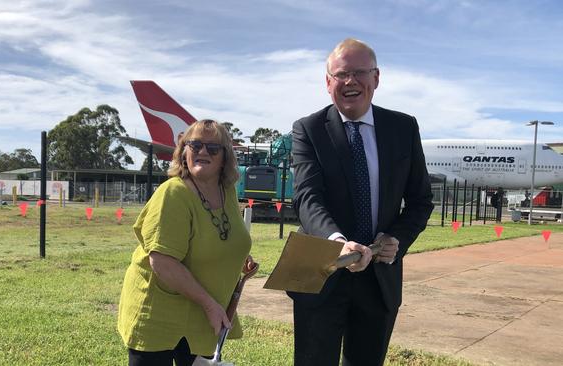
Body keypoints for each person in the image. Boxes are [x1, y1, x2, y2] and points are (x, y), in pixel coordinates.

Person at [290, 38, 434, 366]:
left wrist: (397, 238)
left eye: (359, 72)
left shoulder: (403, 128)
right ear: (328, 83)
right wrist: (337, 242)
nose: (350, 81)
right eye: (341, 74)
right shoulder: (308, 129)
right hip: (322, 272)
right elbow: (308, 197)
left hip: (379, 279)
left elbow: (420, 201)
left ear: (376, 78)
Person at [117, 119, 258, 366]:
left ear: (225, 157)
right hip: (160, 316)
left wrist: (236, 260)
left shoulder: (227, 191)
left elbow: (221, 237)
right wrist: (210, 305)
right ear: (184, 151)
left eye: (213, 148)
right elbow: (162, 262)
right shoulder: (173, 193)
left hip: (202, 317)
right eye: (195, 145)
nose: (203, 151)